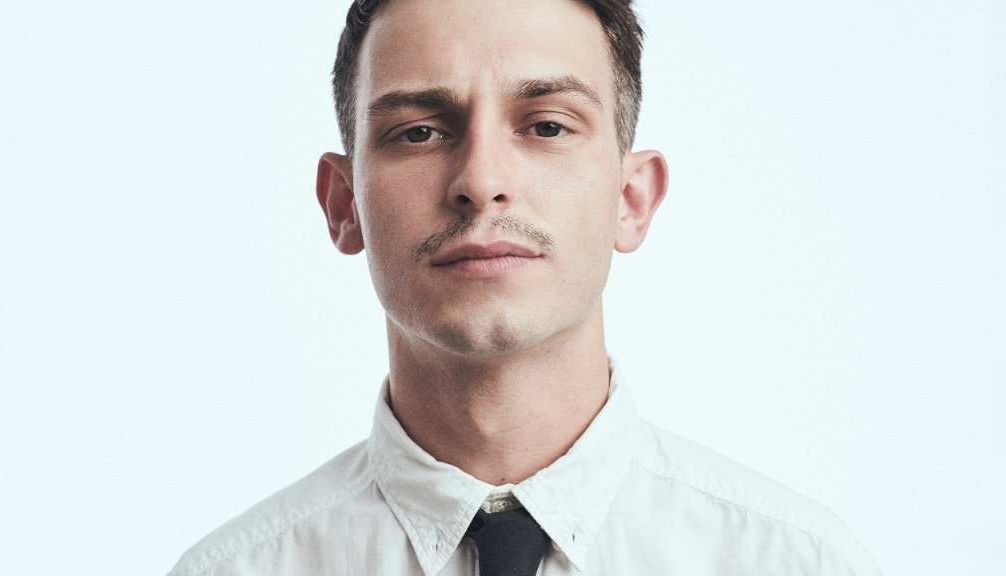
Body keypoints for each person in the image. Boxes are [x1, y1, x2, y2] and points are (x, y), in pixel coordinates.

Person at [168, 0, 882, 574]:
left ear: (631, 200)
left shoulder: (799, 563)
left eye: (546, 126)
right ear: (343, 202)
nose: (482, 182)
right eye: (418, 132)